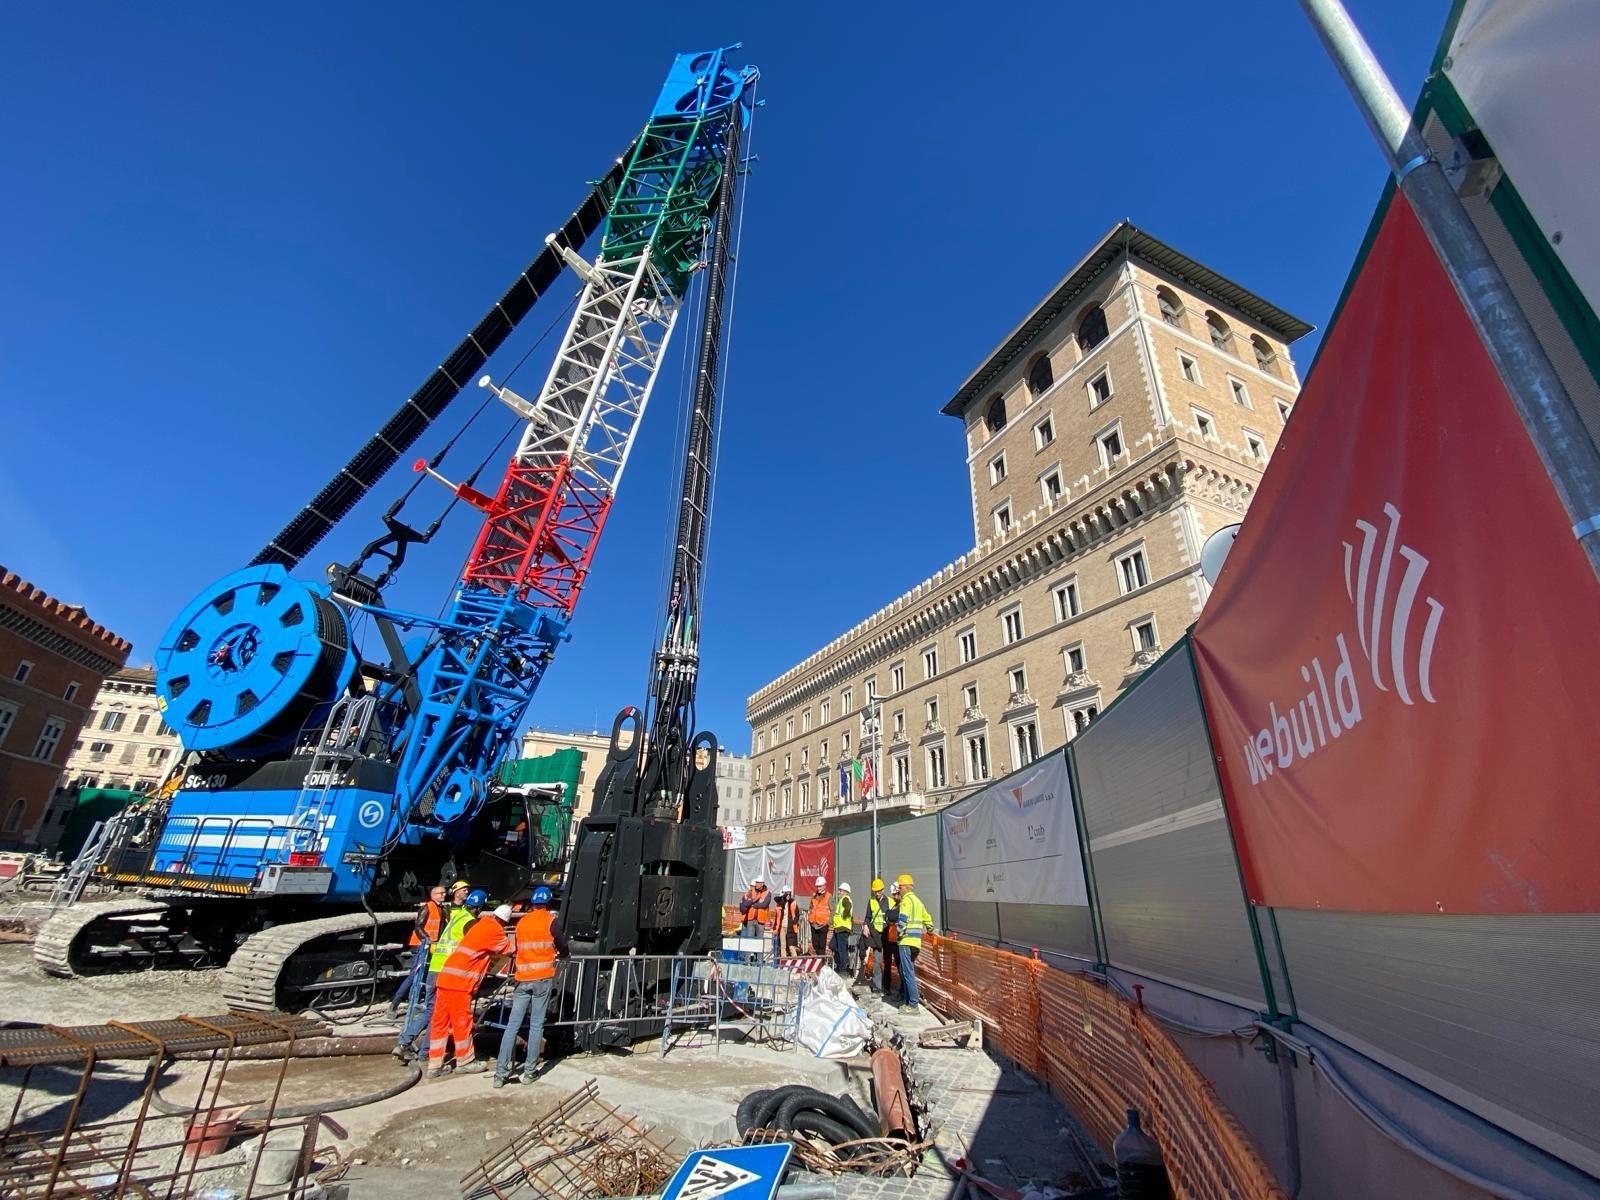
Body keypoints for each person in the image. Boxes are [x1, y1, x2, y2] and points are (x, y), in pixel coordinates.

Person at [427, 893, 511, 1078]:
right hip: (460, 983)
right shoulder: (495, 930)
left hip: (446, 978)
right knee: (462, 1022)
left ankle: (434, 1065)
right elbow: (510, 949)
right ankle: (464, 1061)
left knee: (440, 1022)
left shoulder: (479, 924)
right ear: (503, 922)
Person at [494, 886, 567, 1088]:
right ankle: (529, 1072)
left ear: (532, 903)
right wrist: (565, 955)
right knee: (536, 1025)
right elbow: (562, 944)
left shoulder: (522, 922)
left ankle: (500, 1074)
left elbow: (518, 945)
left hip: (522, 978)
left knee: (512, 1026)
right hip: (542, 978)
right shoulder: (550, 921)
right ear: (549, 903)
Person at [395, 879, 472, 1062]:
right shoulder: (460, 916)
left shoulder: (451, 913)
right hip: (446, 967)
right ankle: (423, 1051)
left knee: (431, 1009)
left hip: (437, 963)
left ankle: (407, 1043)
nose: (466, 892)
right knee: (438, 1012)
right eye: (463, 890)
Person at [390, 884, 447, 1017]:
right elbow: (418, 926)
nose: (444, 895)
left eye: (444, 893)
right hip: (422, 946)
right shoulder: (427, 907)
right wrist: (426, 939)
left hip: (433, 947)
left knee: (425, 976)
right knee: (414, 976)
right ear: (433, 895)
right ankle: (395, 1003)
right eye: (441, 893)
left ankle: (416, 1002)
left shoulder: (441, 909)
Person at [894, 874, 935, 1012]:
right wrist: (930, 929)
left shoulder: (906, 901)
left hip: (906, 941)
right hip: (916, 942)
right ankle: (908, 1001)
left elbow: (902, 920)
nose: (899, 890)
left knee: (907, 972)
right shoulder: (918, 901)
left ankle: (912, 1004)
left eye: (900, 887)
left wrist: (898, 934)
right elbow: (927, 918)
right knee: (908, 971)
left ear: (905, 887)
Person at [866, 878, 896, 997]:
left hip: (887, 934)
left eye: (878, 891)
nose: (877, 893)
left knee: (888, 962)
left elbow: (895, 916)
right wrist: (865, 926)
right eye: (875, 891)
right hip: (876, 935)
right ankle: (877, 987)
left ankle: (887, 987)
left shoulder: (890, 901)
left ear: (883, 890)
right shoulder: (871, 901)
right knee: (877, 961)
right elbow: (868, 917)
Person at [830, 882, 854, 975]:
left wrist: (844, 915)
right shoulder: (842, 900)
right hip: (838, 928)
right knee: (833, 945)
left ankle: (843, 969)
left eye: (840, 890)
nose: (839, 892)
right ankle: (840, 965)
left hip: (843, 928)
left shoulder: (845, 899)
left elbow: (848, 908)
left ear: (846, 892)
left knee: (842, 949)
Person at [807, 877, 831, 956]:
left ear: (824, 885)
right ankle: (818, 960)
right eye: (817, 886)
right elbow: (811, 907)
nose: (818, 888)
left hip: (823, 925)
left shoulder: (828, 896)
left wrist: (828, 922)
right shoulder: (814, 896)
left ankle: (821, 962)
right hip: (814, 924)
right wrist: (810, 918)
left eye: (820, 886)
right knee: (815, 944)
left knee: (822, 946)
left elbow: (833, 910)